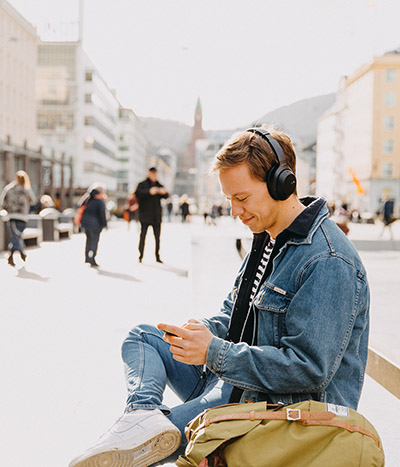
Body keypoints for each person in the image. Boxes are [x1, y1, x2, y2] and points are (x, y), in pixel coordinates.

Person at [68, 127, 370, 467]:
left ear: (282, 184)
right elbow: (234, 316)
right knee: (143, 337)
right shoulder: (267, 238)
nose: (234, 211)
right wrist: (199, 333)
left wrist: (214, 352)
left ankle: (147, 430)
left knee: (144, 446)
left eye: (241, 198)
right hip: (234, 381)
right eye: (229, 200)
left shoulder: (328, 261)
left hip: (273, 410)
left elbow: (308, 370)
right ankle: (141, 417)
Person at [0, 170, 36, 267]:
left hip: (11, 216)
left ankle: (16, 253)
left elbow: (2, 203)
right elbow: (33, 201)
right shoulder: (26, 189)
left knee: (15, 237)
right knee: (17, 236)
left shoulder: (8, 189)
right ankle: (20, 252)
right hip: (23, 217)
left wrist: (8, 209)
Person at [135, 167, 169, 263]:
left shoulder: (159, 185)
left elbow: (166, 196)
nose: (154, 175)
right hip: (145, 216)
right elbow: (138, 194)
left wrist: (164, 192)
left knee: (157, 238)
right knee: (143, 236)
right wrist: (149, 192)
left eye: (155, 174)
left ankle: (157, 256)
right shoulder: (142, 184)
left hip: (156, 216)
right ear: (148, 173)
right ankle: (140, 255)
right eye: (152, 173)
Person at [80, 185, 108, 267]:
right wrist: (104, 225)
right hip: (95, 225)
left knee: (88, 240)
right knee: (94, 241)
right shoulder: (100, 201)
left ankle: (87, 257)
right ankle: (92, 259)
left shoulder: (88, 200)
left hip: (85, 223)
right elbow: (102, 215)